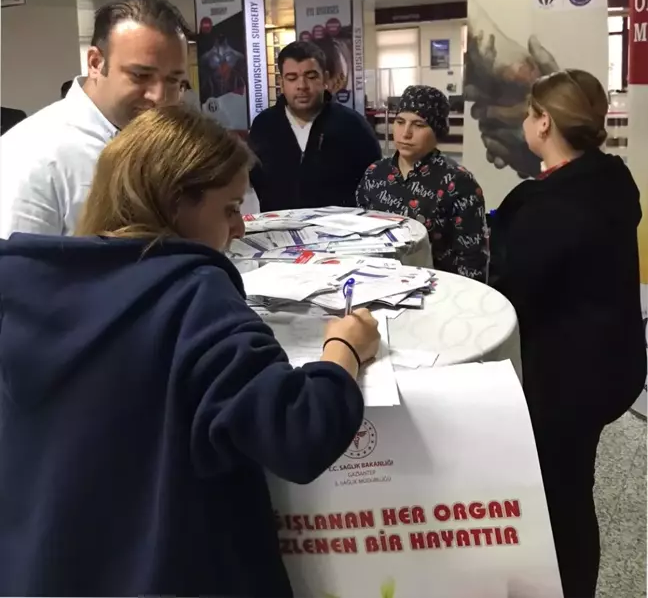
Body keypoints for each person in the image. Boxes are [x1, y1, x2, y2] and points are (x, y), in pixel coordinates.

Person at [0, 105, 380, 597]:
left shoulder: (24, 286)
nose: (239, 227)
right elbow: (298, 430)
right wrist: (344, 346)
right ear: (177, 201)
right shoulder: (193, 295)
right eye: (229, 208)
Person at [490, 69, 646, 598]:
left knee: (561, 495)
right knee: (574, 484)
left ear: (544, 122)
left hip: (561, 379)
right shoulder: (612, 181)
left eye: (531, 114)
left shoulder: (543, 208)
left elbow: (510, 297)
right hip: (612, 363)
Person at [0, 0, 189, 238]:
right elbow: (16, 272)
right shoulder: (32, 154)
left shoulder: (164, 145)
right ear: (95, 63)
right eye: (141, 76)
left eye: (174, 81)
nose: (159, 97)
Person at [356, 85, 488, 282]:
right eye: (400, 122)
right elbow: (358, 237)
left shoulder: (458, 183)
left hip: (435, 293)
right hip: (376, 285)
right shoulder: (375, 174)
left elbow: (472, 258)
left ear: (437, 130)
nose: (406, 133)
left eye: (418, 125)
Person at [248, 41, 381, 211]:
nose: (302, 86)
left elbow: (374, 182)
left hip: (339, 232)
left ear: (324, 78)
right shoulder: (264, 125)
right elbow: (256, 178)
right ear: (281, 82)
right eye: (292, 78)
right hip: (278, 231)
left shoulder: (354, 126)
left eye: (311, 77)